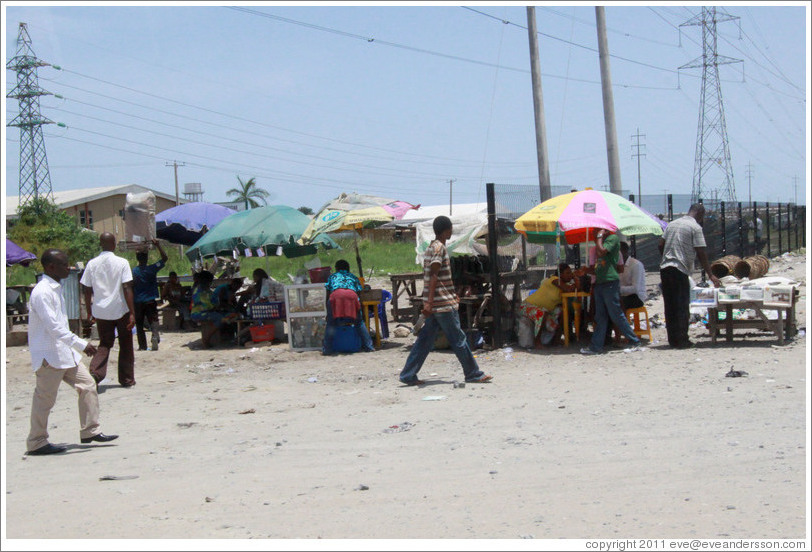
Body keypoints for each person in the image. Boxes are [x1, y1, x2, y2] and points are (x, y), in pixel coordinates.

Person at [26, 249, 118, 455]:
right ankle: (36, 442)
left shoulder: (56, 288)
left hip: (64, 353)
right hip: (49, 355)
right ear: (50, 267)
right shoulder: (42, 292)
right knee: (45, 399)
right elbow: (54, 327)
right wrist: (81, 344)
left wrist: (75, 346)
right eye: (64, 264)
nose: (69, 268)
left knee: (87, 385)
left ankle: (90, 430)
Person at [399, 216, 492, 385]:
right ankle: (473, 373)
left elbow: (437, 277)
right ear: (447, 230)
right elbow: (433, 275)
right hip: (442, 305)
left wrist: (448, 294)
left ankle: (408, 374)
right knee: (458, 338)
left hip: (439, 302)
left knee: (425, 341)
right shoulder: (439, 248)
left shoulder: (432, 248)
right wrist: (428, 302)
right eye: (450, 229)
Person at [658, 203, 721, 349]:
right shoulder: (695, 228)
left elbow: (660, 244)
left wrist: (667, 257)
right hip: (680, 269)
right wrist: (711, 275)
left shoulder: (672, 224)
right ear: (700, 214)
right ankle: (682, 340)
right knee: (681, 305)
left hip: (665, 268)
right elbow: (701, 253)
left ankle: (672, 340)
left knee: (670, 305)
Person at [81, 232, 137, 388]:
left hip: (101, 311)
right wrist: (132, 312)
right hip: (121, 310)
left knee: (105, 343)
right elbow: (127, 288)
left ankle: (96, 373)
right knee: (126, 343)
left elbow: (86, 289)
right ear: (114, 244)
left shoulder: (92, 264)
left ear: (101, 244)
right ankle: (126, 379)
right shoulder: (122, 262)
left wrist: (89, 311)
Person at [580, 229, 643, 355]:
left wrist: (599, 237)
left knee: (616, 313)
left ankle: (634, 340)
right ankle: (596, 346)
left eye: (596, 231)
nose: (594, 233)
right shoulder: (596, 246)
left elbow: (602, 252)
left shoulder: (612, 239)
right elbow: (596, 266)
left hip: (610, 282)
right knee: (600, 316)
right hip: (599, 283)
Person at [518, 263, 578, 347]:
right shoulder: (554, 279)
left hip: (545, 310)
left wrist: (575, 280)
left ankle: (555, 340)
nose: (570, 275)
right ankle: (537, 341)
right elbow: (568, 289)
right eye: (567, 273)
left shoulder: (564, 285)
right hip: (527, 306)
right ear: (560, 274)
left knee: (564, 312)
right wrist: (575, 278)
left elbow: (574, 289)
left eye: (570, 273)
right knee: (542, 313)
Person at [322, 259, 375, 354]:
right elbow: (359, 294)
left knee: (331, 323)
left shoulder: (332, 276)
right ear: (348, 268)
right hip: (351, 295)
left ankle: (327, 349)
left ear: (336, 268)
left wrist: (328, 311)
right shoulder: (353, 277)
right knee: (359, 322)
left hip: (336, 295)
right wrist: (359, 311)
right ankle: (369, 346)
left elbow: (328, 294)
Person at [132, 239, 168, 351]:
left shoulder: (134, 271)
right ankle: (154, 336)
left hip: (137, 301)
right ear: (147, 259)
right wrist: (158, 245)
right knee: (154, 320)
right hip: (150, 300)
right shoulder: (152, 269)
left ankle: (142, 346)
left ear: (137, 259)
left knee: (139, 324)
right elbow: (165, 258)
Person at [190, 270, 238, 348]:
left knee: (232, 315)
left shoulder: (208, 292)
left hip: (210, 312)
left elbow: (215, 304)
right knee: (219, 318)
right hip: (199, 314)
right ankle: (206, 339)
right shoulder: (198, 292)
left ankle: (228, 337)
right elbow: (208, 306)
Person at [618, 241, 646, 311]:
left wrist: (618, 289)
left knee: (616, 305)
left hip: (636, 297)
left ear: (624, 251)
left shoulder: (636, 265)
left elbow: (635, 289)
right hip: (623, 295)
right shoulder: (617, 265)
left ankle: (621, 321)